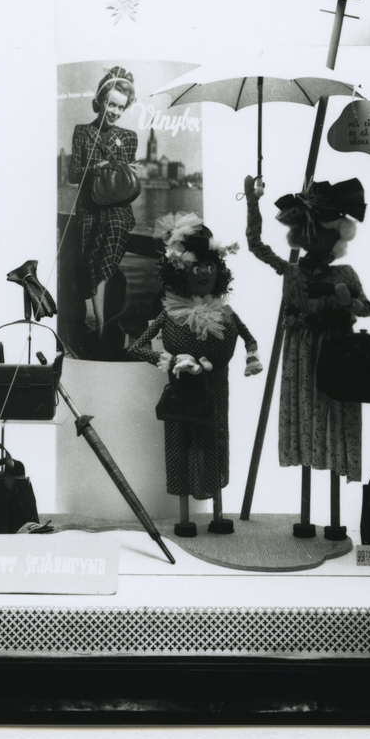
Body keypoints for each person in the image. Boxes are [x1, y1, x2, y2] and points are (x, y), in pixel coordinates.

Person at [244, 174, 370, 539]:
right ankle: (305, 516)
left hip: (335, 352)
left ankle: (334, 518)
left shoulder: (344, 273)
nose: (310, 239)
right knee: (304, 417)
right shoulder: (293, 271)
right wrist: (253, 202)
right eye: (305, 232)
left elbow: (366, 309)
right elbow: (255, 245)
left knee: (332, 418)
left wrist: (348, 301)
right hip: (301, 354)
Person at [127, 213, 262, 537]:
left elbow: (246, 338)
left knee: (214, 443)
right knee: (181, 445)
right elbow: (136, 347)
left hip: (215, 391)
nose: (203, 272)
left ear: (219, 270)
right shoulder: (170, 313)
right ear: (180, 270)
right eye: (195, 266)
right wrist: (171, 359)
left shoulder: (224, 313)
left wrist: (247, 357)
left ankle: (218, 514)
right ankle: (184, 517)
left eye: (209, 265)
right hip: (181, 393)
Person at [68, 67, 140, 338]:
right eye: (111, 104)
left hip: (117, 207)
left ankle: (99, 324)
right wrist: (96, 167)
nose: (115, 112)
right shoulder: (82, 132)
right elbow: (73, 174)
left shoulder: (130, 137)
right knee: (90, 261)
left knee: (109, 247)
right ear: (99, 101)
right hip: (89, 208)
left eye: (121, 107)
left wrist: (128, 170)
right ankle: (100, 324)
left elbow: (125, 183)